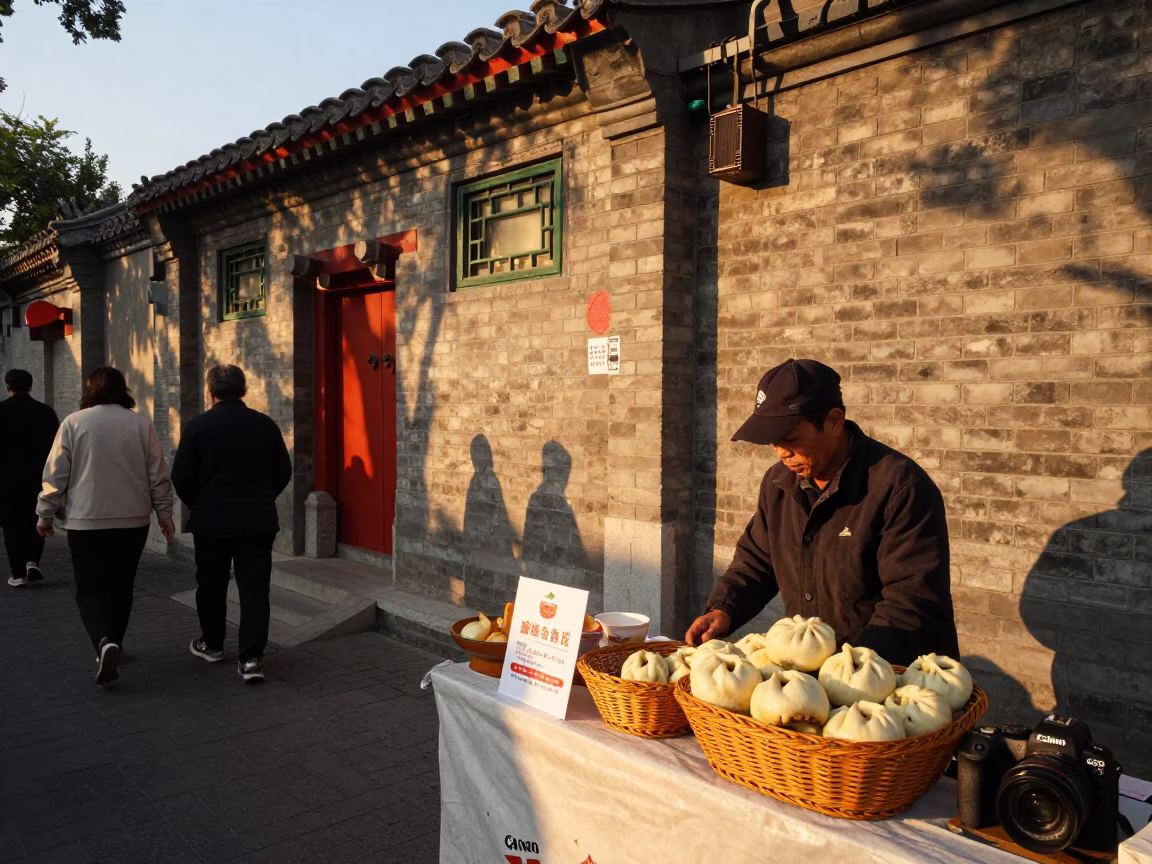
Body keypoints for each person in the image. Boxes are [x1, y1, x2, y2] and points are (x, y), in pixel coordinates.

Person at [686, 358, 958, 666]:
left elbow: (911, 600)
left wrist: (850, 667)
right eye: (773, 442)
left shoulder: (900, 487)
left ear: (834, 421)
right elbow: (757, 562)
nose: (781, 453)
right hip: (815, 676)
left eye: (790, 439)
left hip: (893, 677)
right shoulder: (778, 484)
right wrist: (723, 609)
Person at [37, 367, 175, 685]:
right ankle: (116, 642)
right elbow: (158, 473)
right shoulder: (141, 423)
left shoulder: (74, 423)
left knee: (89, 588)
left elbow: (55, 474)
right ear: (122, 389)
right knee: (122, 585)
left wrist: (45, 514)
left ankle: (103, 640)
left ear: (89, 390)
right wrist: (164, 514)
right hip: (133, 520)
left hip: (86, 521)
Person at [171, 365, 291, 684]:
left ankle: (212, 645)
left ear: (211, 392)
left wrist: (201, 503)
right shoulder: (264, 425)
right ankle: (251, 659)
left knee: (211, 585)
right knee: (254, 590)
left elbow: (181, 476)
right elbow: (283, 470)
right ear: (244, 390)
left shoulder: (198, 426)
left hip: (211, 523)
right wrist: (263, 496)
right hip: (257, 521)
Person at [0, 369, 59, 588]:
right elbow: (56, 450)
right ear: (31, 386)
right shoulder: (45, 412)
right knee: (36, 521)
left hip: (6, 484)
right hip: (39, 480)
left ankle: (18, 576)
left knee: (12, 528)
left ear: (8, 387)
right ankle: (32, 561)